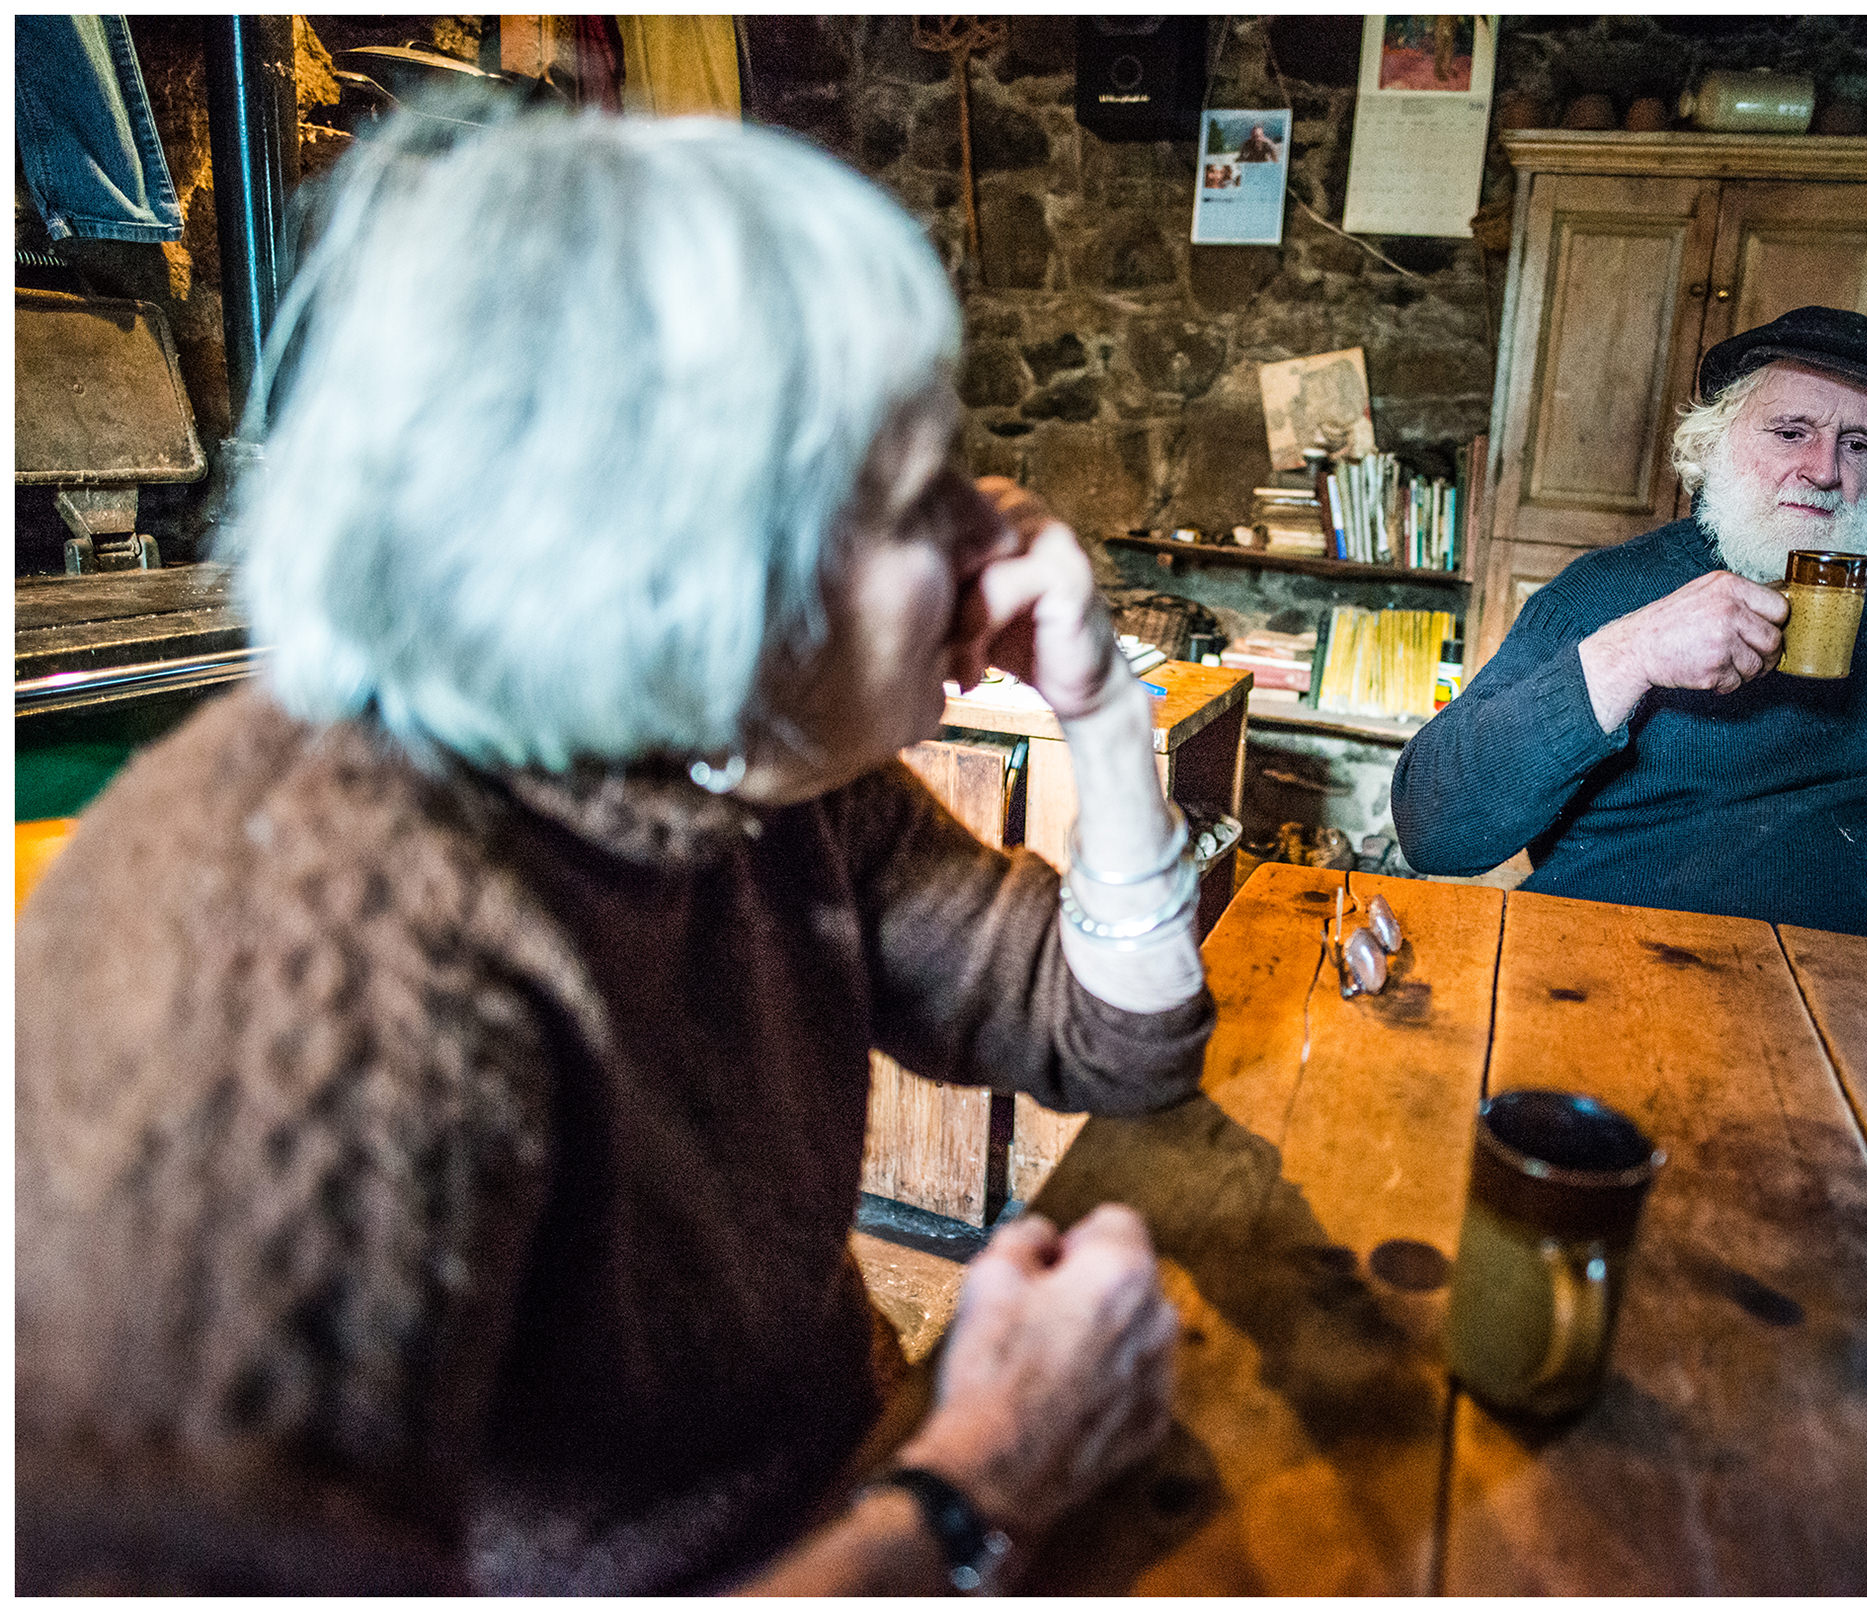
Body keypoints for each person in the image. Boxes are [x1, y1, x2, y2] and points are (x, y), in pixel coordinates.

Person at [17, 102, 1214, 1595]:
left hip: (853, 1491)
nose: (994, 530)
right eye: (921, 492)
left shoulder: (746, 764)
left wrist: (1102, 707)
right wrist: (981, 1482)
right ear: (701, 558)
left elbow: (1117, 1043)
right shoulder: (309, 942)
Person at [1391, 307, 1867, 950]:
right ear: (1712, 442)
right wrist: (1633, 652)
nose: (1824, 470)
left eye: (1859, 444)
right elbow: (1435, 831)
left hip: (1850, 1005)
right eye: (1791, 432)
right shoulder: (1605, 591)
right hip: (1621, 980)